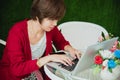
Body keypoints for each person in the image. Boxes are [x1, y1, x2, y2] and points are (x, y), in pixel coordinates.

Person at [0, 0, 80, 80]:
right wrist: (49, 58)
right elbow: (17, 69)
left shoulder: (50, 29)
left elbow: (61, 41)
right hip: (13, 75)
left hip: (35, 71)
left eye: (57, 19)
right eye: (51, 19)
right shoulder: (16, 32)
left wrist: (70, 49)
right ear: (38, 16)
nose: (55, 24)